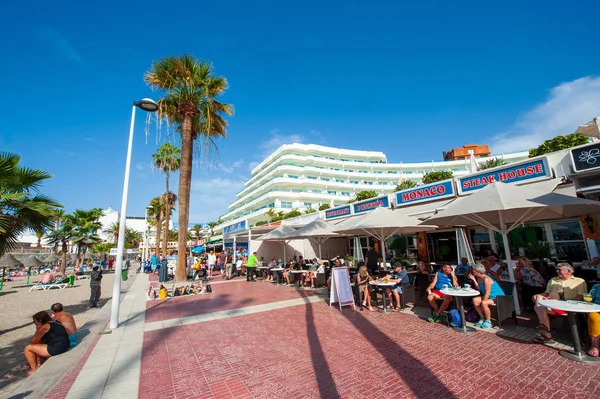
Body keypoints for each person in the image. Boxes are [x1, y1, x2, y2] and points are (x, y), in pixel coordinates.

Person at [532, 262, 587, 344]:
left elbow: (580, 297)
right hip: (550, 303)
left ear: (568, 271)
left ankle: (546, 332)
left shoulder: (579, 281)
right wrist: (537, 296)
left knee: (538, 307)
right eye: (557, 269)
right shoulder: (553, 280)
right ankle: (546, 333)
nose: (557, 271)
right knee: (538, 297)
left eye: (559, 270)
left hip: (566, 305)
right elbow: (546, 293)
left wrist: (565, 301)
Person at [24, 311, 70, 375]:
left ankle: (34, 369)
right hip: (65, 345)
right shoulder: (56, 322)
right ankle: (41, 362)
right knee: (38, 344)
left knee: (28, 348)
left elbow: (33, 341)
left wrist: (38, 328)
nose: (34, 323)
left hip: (57, 348)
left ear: (40, 320)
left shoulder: (44, 327)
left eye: (34, 321)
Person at [468, 263, 505, 329]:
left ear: (478, 271)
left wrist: (483, 302)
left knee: (484, 303)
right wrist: (473, 279)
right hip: (490, 297)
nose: (472, 271)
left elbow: (487, 293)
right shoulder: (479, 278)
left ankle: (488, 321)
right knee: (475, 300)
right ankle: (482, 318)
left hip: (497, 297)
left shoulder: (486, 279)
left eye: (474, 270)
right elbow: (480, 288)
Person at [586, 284, 600, 357]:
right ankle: (595, 346)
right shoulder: (596, 286)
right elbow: (590, 299)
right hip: (596, 309)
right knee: (593, 317)